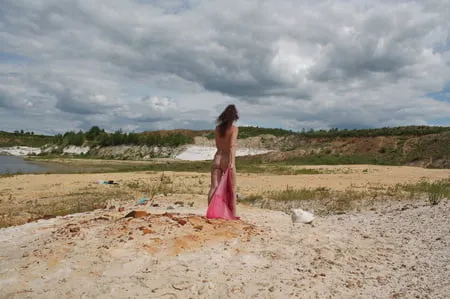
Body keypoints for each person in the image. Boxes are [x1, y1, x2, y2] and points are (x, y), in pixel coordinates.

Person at [207, 104, 239, 212]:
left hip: (217, 157)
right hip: (226, 158)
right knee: (232, 190)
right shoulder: (234, 129)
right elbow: (231, 146)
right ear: (234, 117)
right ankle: (232, 214)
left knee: (214, 187)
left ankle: (210, 211)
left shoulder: (218, 128)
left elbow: (217, 145)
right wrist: (232, 162)